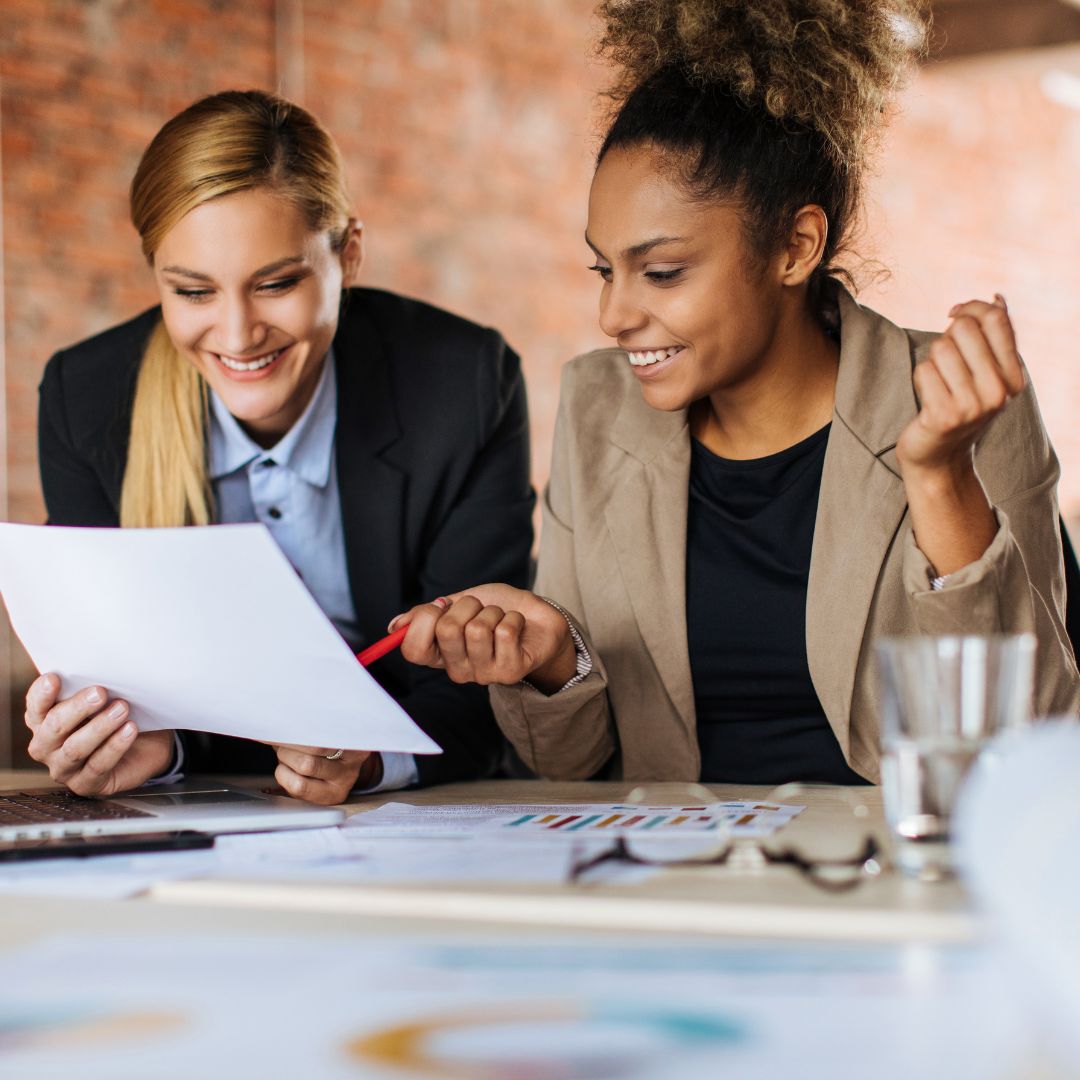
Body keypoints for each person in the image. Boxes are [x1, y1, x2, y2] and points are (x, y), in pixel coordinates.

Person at [394, 0, 1080, 784]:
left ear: (796, 246)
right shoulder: (597, 406)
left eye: (661, 272)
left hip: (888, 881)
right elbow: (563, 765)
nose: (613, 315)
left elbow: (1029, 745)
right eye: (604, 270)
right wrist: (554, 665)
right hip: (673, 882)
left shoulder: (960, 406)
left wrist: (939, 477)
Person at [25, 90, 534, 803]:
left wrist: (371, 762)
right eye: (193, 292)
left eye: (276, 283)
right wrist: (135, 745)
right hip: (208, 810)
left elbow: (482, 687)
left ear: (347, 255)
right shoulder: (85, 399)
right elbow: (120, 684)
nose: (236, 336)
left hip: (409, 809)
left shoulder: (464, 385)